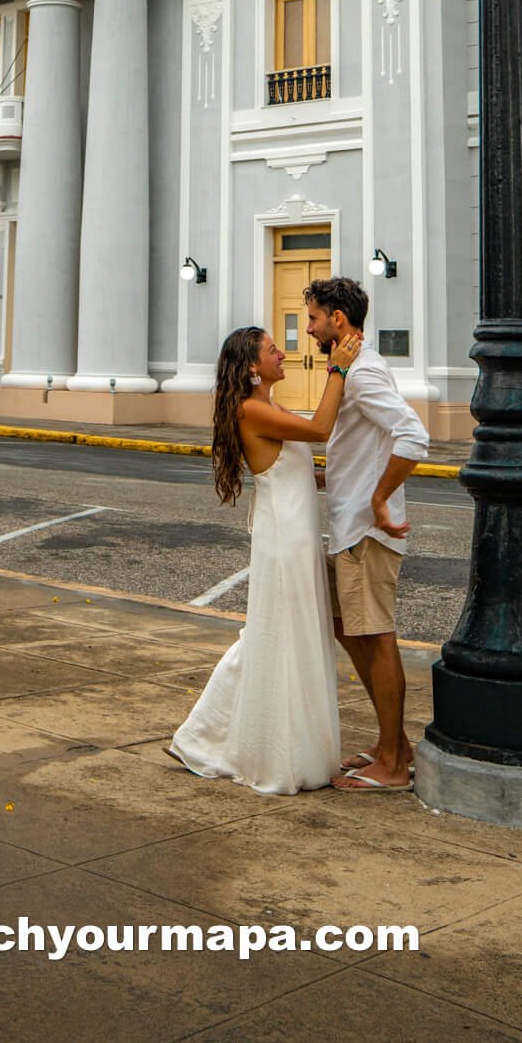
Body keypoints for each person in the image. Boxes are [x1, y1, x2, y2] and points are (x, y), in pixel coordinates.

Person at [169, 321, 362, 795]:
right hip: (284, 539)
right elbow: (319, 428)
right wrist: (338, 368)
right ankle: (205, 738)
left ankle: (211, 736)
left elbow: (293, 468)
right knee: (273, 634)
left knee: (286, 634)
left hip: (295, 532)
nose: (282, 354)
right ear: (253, 367)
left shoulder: (268, 406)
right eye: (273, 350)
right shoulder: (252, 410)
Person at [305, 275, 429, 793]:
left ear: (339, 319)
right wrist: (329, 476)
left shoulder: (361, 375)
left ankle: (395, 766)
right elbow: (364, 445)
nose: (308, 328)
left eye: (313, 318)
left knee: (376, 637)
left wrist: (378, 499)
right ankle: (390, 745)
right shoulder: (355, 369)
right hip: (349, 523)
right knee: (348, 629)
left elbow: (413, 435)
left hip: (365, 530)